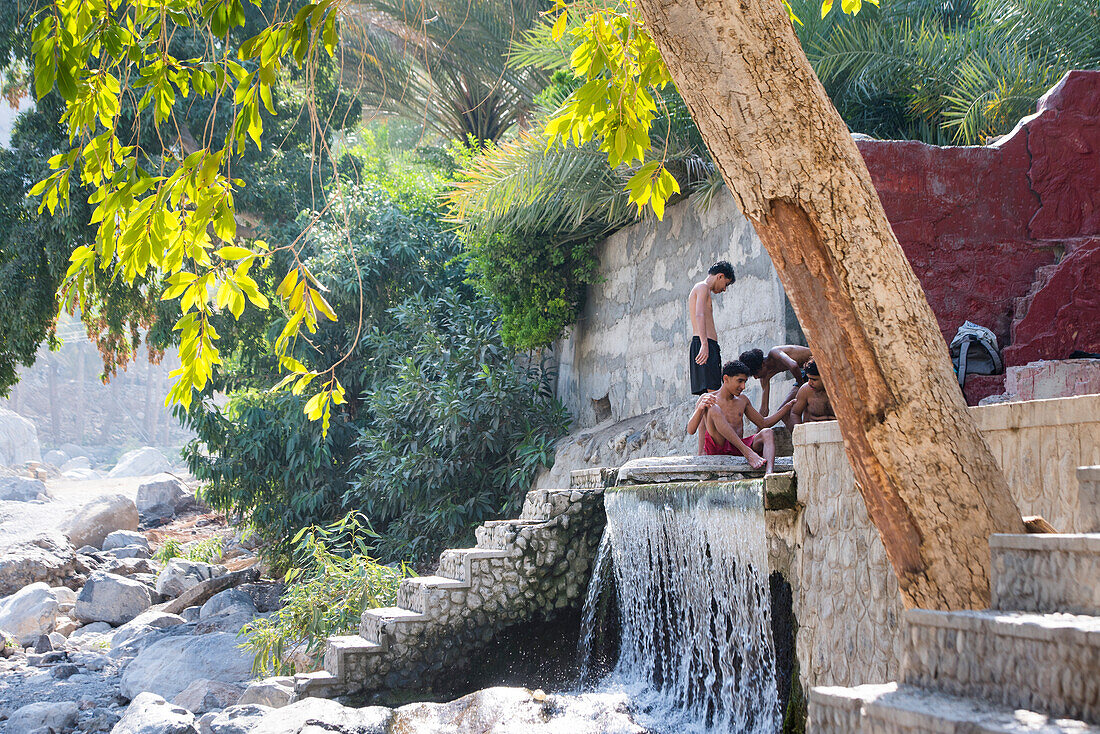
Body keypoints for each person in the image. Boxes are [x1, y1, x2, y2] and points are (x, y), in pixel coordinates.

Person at [686, 360, 794, 473]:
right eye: (740, 381)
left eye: (745, 382)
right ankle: (748, 453)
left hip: (738, 448)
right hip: (719, 447)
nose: (743, 386)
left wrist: (786, 408)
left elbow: (763, 423)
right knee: (714, 407)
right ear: (726, 379)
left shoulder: (743, 400)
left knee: (767, 432)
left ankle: (769, 473)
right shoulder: (708, 398)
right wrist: (700, 408)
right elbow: (691, 430)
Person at [688, 261, 736, 453]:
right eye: (726, 284)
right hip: (704, 344)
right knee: (712, 398)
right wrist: (705, 344)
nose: (724, 289)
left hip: (704, 344)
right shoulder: (702, 287)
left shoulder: (701, 289)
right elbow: (699, 314)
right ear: (720, 276)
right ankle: (710, 449)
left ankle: (702, 451)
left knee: (705, 400)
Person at [738, 344, 813, 430]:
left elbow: (793, 365)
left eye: (756, 373)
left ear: (763, 364)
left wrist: (801, 386)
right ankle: (798, 439)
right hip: (804, 374)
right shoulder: (764, 378)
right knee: (783, 412)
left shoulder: (775, 353)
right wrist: (758, 432)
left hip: (815, 364)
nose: (755, 377)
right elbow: (764, 409)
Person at [790, 359, 835, 424]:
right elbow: (795, 413)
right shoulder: (805, 390)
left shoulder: (843, 391)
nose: (809, 383)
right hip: (813, 431)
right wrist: (800, 432)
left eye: (814, 379)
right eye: (808, 378)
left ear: (826, 378)